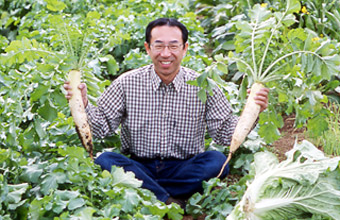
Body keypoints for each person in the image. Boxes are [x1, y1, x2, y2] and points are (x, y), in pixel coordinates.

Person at [64, 18, 269, 208]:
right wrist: (83, 105)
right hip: (138, 166)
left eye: (173, 46)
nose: (166, 53)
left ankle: (150, 193)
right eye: (159, 46)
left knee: (216, 162)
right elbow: (100, 127)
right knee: (105, 160)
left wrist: (252, 111)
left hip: (183, 168)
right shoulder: (126, 84)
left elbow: (224, 135)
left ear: (185, 48)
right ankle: (169, 199)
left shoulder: (204, 86)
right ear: (147, 48)